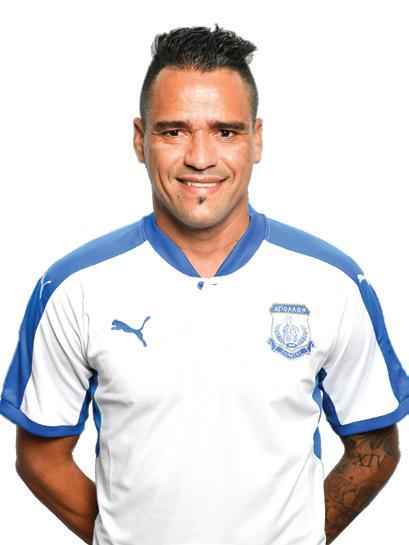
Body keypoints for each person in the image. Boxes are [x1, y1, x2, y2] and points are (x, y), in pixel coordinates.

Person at [0, 24, 408, 545]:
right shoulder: (73, 288)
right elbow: (40, 456)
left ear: (257, 139)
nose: (199, 157)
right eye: (174, 131)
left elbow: (376, 445)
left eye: (225, 132)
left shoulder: (333, 284)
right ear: (140, 140)